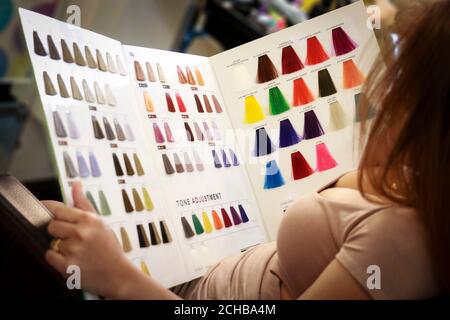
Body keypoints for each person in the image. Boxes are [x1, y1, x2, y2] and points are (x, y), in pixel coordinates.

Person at [42, 0, 449, 300]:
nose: (387, 91)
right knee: (55, 216)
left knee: (32, 226)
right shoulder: (422, 183)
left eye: (403, 80)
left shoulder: (401, 241)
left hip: (178, 294)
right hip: (193, 267)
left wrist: (117, 277)